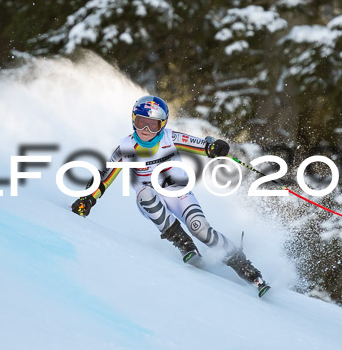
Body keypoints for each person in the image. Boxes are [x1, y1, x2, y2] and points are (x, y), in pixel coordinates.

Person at [71, 95, 270, 297]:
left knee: (201, 230)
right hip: (149, 198)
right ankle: (183, 243)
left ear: (162, 125)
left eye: (152, 125)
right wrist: (87, 199)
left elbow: (202, 146)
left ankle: (244, 266)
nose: (145, 131)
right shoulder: (126, 148)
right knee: (145, 193)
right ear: (134, 120)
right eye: (141, 123)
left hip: (179, 193)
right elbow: (104, 177)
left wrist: (214, 148)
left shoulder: (170, 138)